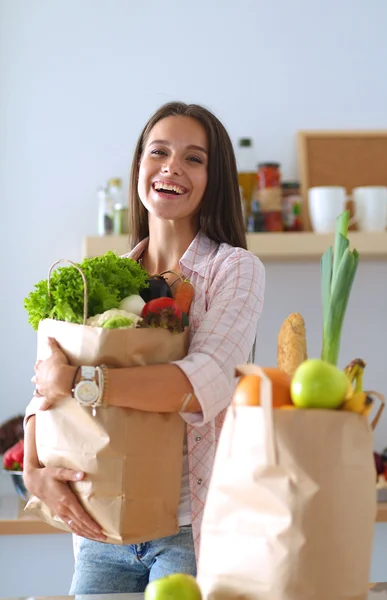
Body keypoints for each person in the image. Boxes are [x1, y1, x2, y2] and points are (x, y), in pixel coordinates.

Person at [24, 101, 266, 594]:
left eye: (194, 158)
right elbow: (46, 387)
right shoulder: (101, 276)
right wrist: (32, 471)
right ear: (139, 166)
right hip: (100, 522)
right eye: (159, 152)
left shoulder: (234, 270)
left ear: (214, 178)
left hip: (190, 529)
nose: (172, 167)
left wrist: (80, 382)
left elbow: (203, 383)